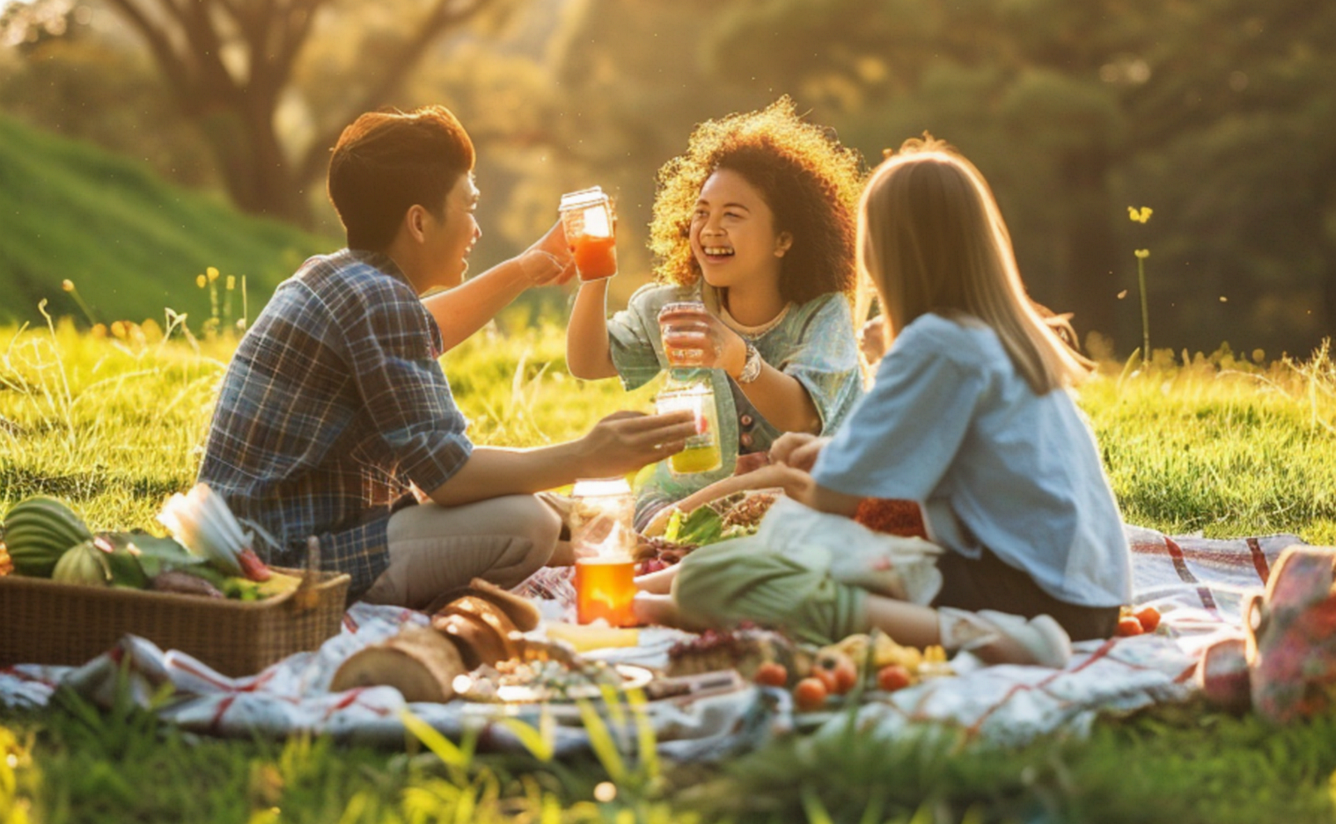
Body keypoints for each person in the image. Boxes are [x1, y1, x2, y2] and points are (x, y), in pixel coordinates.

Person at [198, 107, 694, 608]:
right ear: (418, 221)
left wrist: (524, 269)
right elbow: (447, 478)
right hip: (280, 565)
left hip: (257, 540)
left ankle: (591, 550)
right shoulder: (379, 300)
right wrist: (588, 456)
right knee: (529, 521)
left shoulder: (337, 277)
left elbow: (421, 331)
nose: (476, 228)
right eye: (470, 206)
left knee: (549, 506)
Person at [664, 137, 1132, 666]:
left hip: (1031, 600)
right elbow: (916, 462)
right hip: (1092, 598)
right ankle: (969, 626)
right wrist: (828, 460)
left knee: (726, 572)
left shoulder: (937, 343)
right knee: (783, 546)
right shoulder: (999, 338)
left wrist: (797, 476)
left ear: (884, 251)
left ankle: (978, 637)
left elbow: (839, 501)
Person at [565, 98, 865, 528]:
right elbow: (588, 362)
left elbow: (804, 415)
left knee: (782, 520)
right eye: (701, 213)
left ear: (783, 239)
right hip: (683, 500)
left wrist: (735, 355)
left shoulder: (822, 314)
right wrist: (595, 271)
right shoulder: (673, 308)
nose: (710, 230)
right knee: (651, 524)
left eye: (733, 215)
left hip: (795, 494)